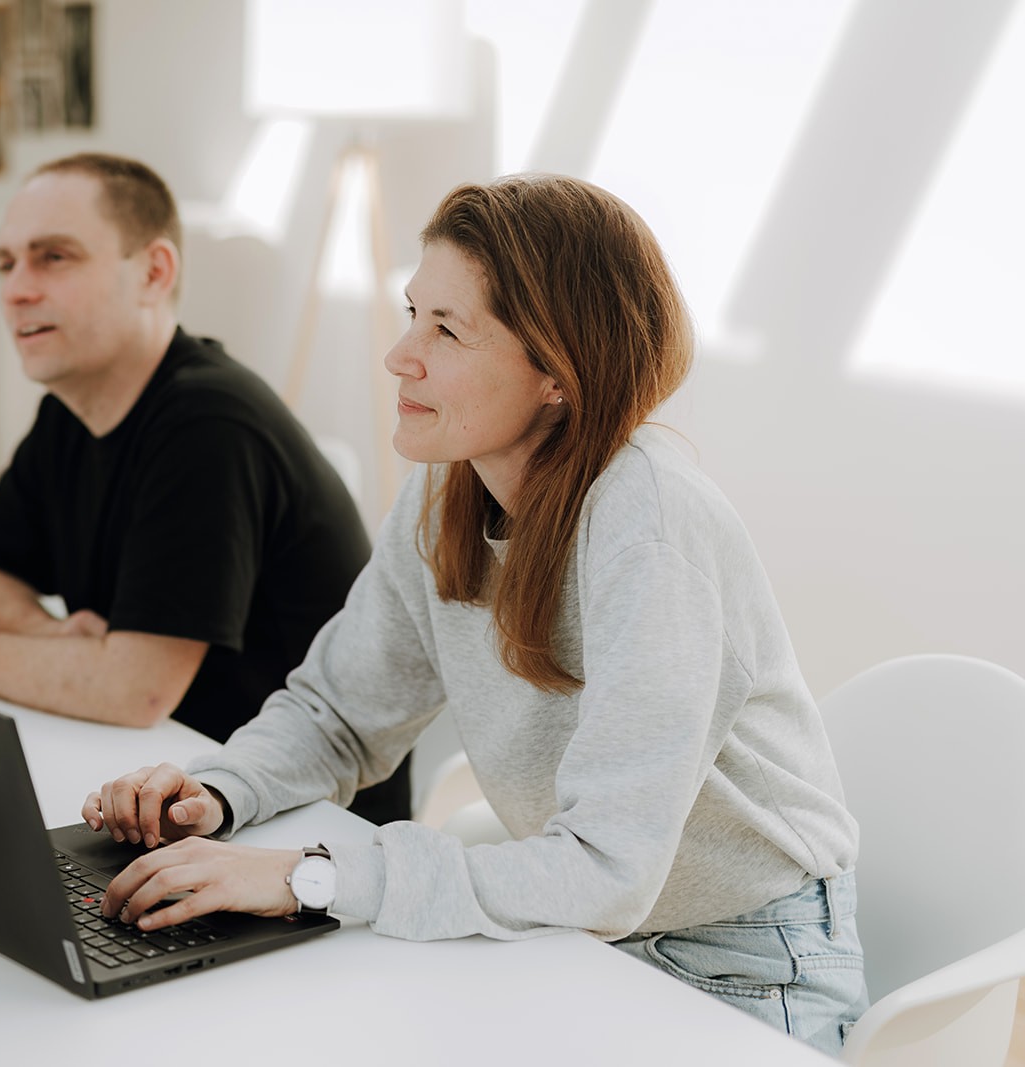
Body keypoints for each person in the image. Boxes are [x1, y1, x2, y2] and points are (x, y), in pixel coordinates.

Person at [81, 173, 867, 1055]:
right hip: (577, 939)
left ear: (558, 373)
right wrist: (217, 793)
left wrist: (307, 876)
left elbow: (607, 872)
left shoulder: (651, 525)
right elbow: (339, 715)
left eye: (446, 330)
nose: (400, 355)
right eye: (413, 312)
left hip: (738, 966)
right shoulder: (445, 493)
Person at [0, 152, 412, 823]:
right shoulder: (74, 406)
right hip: (164, 778)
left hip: (295, 821)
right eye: (6, 262)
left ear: (154, 272)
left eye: (54, 257)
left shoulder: (209, 424)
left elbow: (136, 690)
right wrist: (53, 641)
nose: (17, 288)